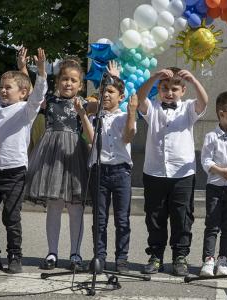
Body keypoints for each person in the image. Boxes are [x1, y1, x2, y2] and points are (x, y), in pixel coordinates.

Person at [0, 48, 47, 273]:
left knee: (10, 217)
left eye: (8, 87)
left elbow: (39, 95)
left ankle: (15, 255)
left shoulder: (26, 110)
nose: (2, 91)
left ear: (23, 93)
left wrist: (42, 71)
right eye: (1, 87)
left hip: (15, 173)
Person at [137, 67, 208, 276]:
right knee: (155, 216)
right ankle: (156, 255)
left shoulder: (187, 108)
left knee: (182, 216)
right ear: (159, 90)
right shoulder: (153, 107)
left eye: (174, 89)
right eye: (165, 88)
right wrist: (153, 77)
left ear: (182, 91)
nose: (169, 92)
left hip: (182, 172)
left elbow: (204, 102)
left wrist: (194, 80)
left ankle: (180, 256)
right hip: (155, 171)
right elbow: (140, 98)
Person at [25, 57, 89, 271]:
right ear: (57, 81)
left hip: (73, 156)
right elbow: (33, 94)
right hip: (51, 157)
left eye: (73, 80)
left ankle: (75, 253)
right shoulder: (49, 100)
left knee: (75, 207)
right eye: (64, 79)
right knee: (54, 205)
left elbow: (108, 101)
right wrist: (26, 69)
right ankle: (52, 252)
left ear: (80, 85)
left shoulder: (83, 104)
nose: (68, 83)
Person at [75, 61, 138, 274]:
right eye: (103, 91)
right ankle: (99, 257)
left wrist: (131, 112)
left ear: (121, 97)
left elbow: (128, 137)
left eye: (111, 91)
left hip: (121, 172)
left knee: (122, 219)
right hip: (99, 170)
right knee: (99, 219)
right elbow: (92, 140)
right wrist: (84, 115)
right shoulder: (96, 117)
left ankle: (121, 259)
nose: (106, 95)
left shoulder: (123, 116)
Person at [199, 91, 227, 277]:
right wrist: (221, 171)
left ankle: (223, 259)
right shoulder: (211, 136)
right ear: (221, 113)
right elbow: (205, 161)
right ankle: (208, 260)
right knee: (212, 224)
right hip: (216, 186)